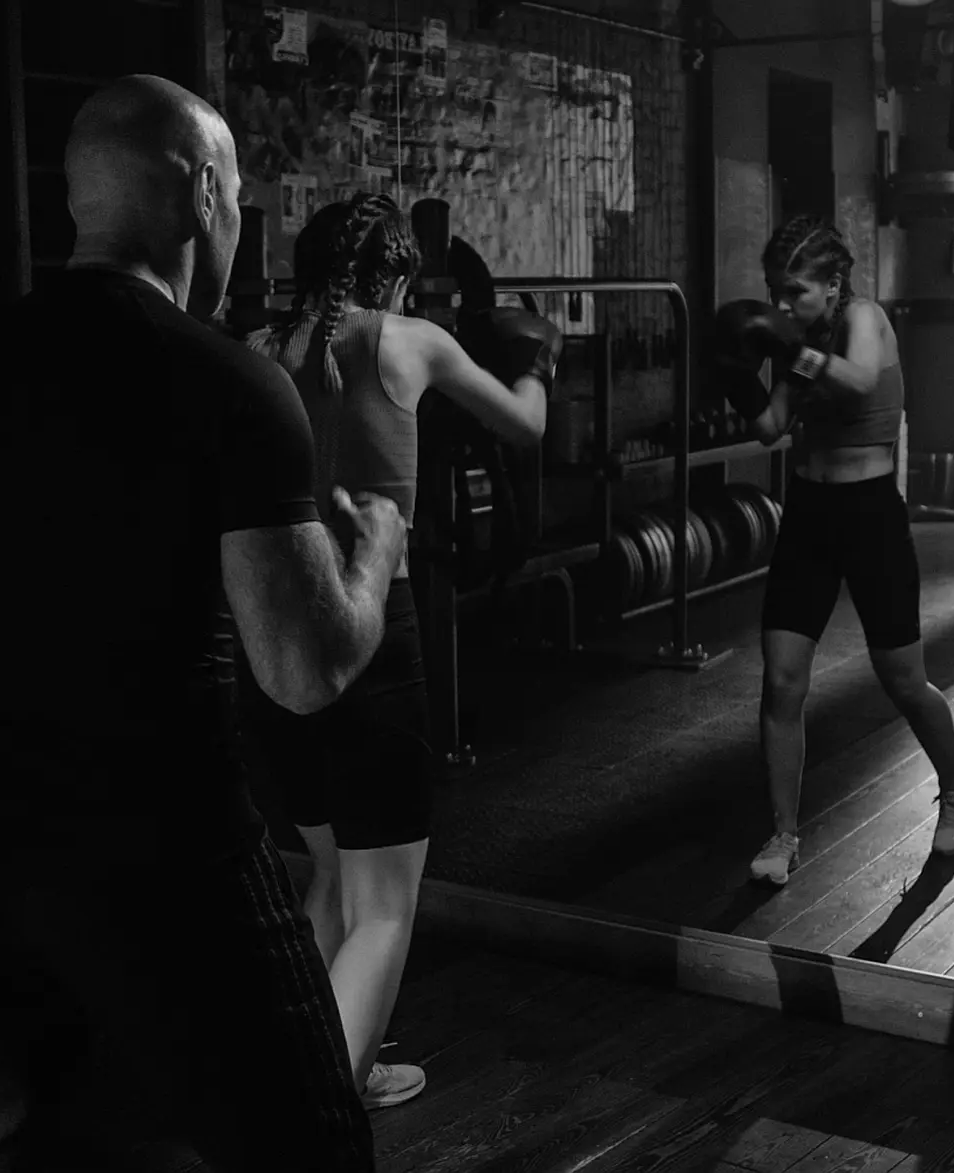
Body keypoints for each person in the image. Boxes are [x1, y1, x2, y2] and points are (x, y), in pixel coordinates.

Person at [0, 75, 406, 1172]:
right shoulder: (225, 382)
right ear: (206, 192)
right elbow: (303, 671)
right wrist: (374, 557)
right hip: (164, 856)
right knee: (309, 1151)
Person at [240, 193, 555, 1108]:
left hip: (277, 641)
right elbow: (525, 424)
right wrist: (535, 360)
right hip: (374, 632)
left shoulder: (258, 350)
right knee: (383, 907)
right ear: (398, 272)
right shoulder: (409, 340)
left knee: (333, 875)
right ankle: (307, 1121)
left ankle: (329, 1054)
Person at [712, 215, 954, 886]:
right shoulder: (797, 338)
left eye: (794, 291)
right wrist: (736, 371)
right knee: (782, 680)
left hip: (870, 516)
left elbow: (858, 381)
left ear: (833, 284)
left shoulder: (865, 318)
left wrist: (786, 348)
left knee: (903, 680)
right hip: (807, 513)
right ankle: (783, 834)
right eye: (774, 291)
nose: (781, 305)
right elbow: (772, 429)